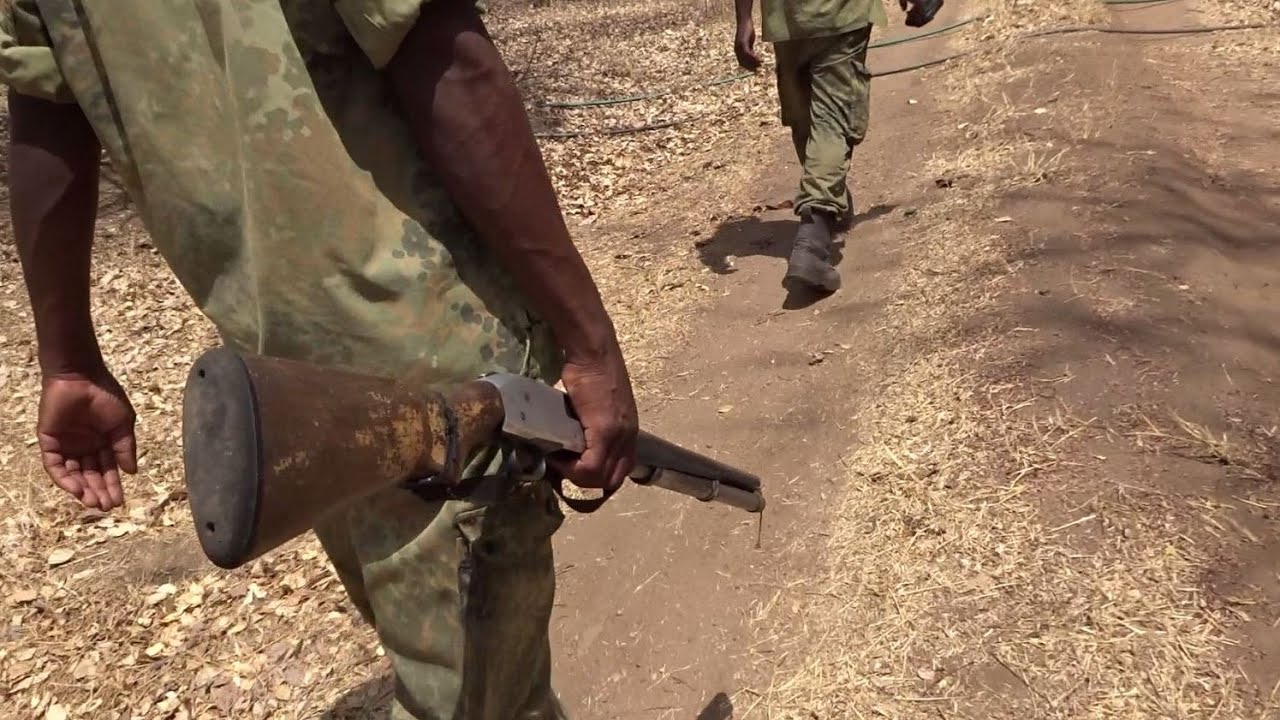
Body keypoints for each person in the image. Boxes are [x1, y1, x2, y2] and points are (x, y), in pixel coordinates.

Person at [0, 0, 638, 718]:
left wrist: (69, 361)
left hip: (292, 379)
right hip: (438, 366)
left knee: (456, 666)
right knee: (475, 698)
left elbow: (43, 106)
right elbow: (443, 60)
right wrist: (591, 344)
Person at [735, 0, 920, 294]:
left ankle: (828, 199)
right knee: (826, 120)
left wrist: (744, 19)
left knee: (807, 119)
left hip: (787, 20)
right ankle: (814, 237)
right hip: (838, 14)